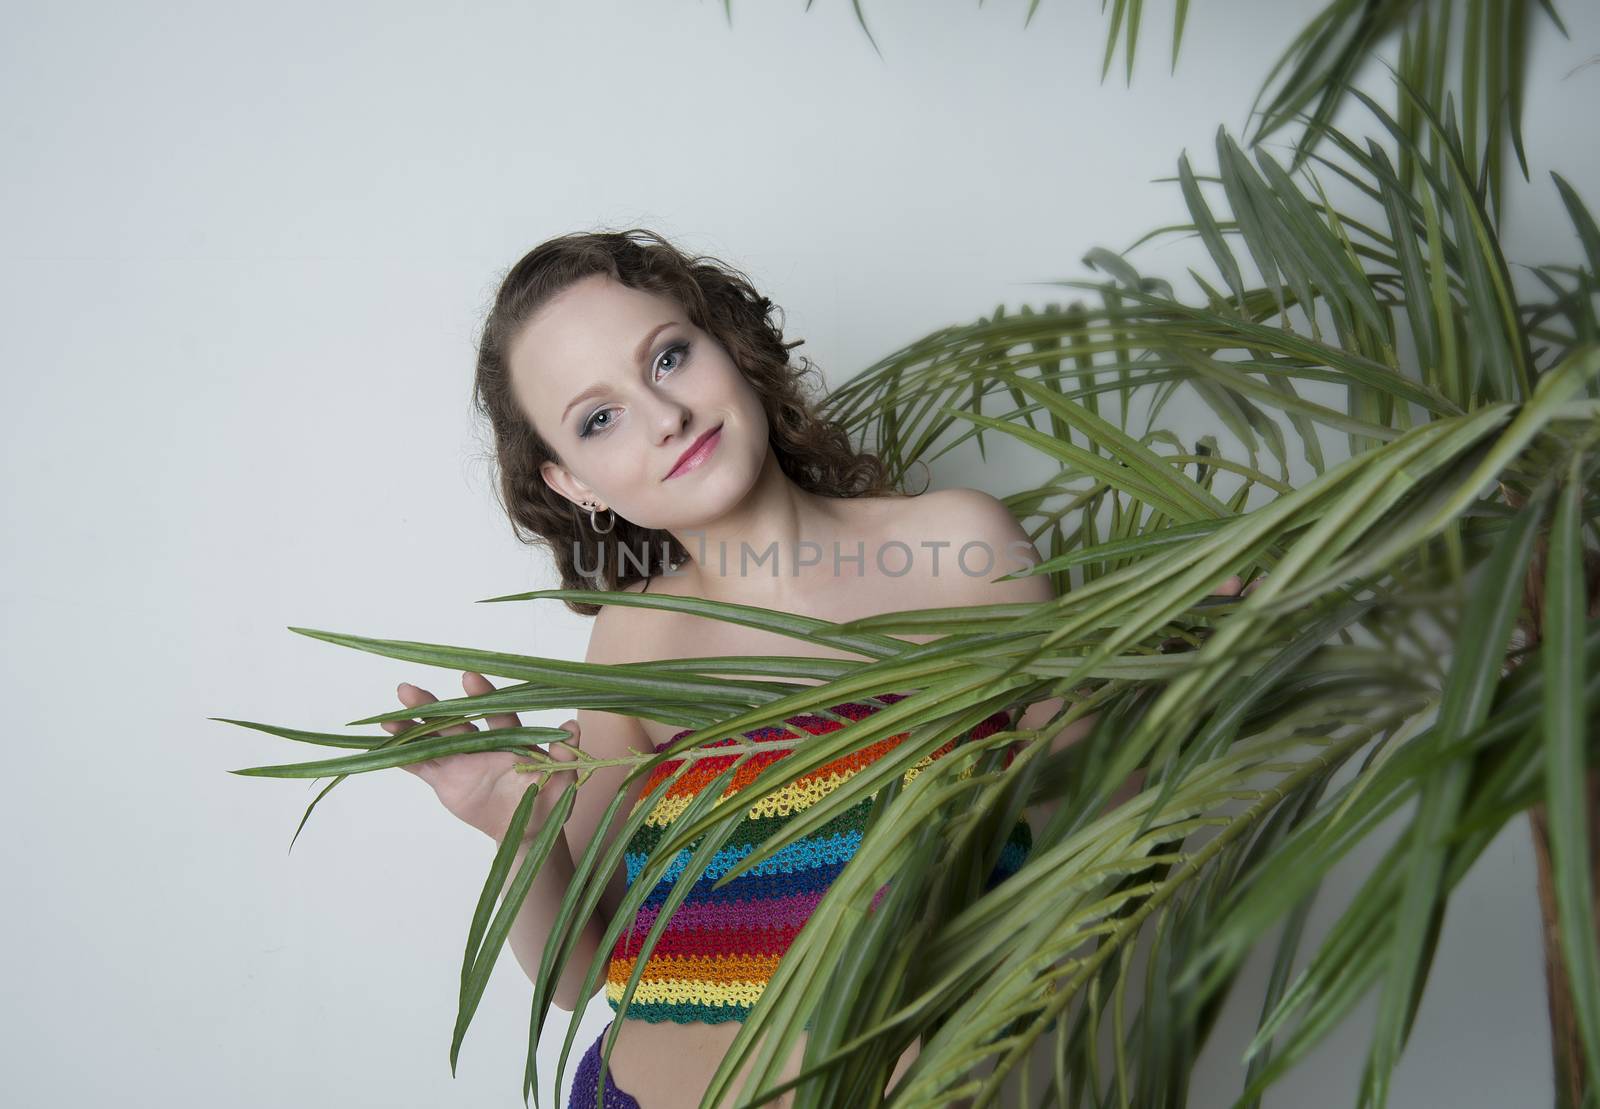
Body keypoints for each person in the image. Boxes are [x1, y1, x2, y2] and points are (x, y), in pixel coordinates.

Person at [381, 229, 1254, 1108]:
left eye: (669, 357)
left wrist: (1178, 661)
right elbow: (582, 971)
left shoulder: (959, 549)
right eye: (598, 418)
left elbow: (1083, 841)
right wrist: (521, 840)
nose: (664, 416)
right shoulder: (631, 638)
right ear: (574, 483)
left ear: (726, 343)